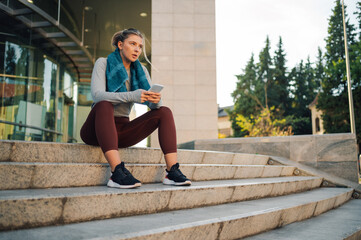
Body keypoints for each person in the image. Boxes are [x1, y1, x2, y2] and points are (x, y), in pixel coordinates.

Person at [80, 28, 191, 189]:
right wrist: (133, 95)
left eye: (139, 46)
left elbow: (151, 106)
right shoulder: (103, 63)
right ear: (120, 44)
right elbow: (97, 95)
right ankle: (116, 172)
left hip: (122, 131)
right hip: (95, 130)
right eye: (132, 44)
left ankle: (172, 172)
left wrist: (155, 100)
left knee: (164, 111)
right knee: (104, 104)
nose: (137, 49)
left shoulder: (141, 70)